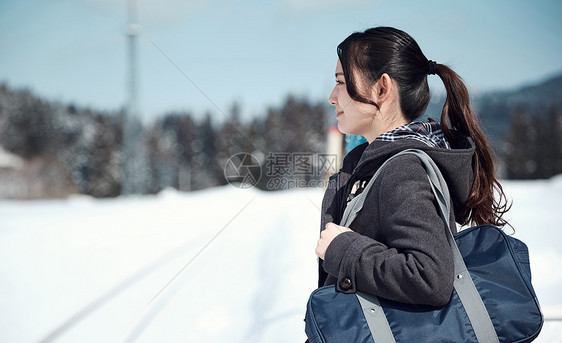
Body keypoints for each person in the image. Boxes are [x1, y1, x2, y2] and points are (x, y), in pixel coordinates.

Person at [315, 27, 510, 306]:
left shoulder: (403, 169)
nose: (332, 97)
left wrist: (345, 251)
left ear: (382, 88)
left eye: (341, 82)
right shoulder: (376, 164)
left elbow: (430, 278)